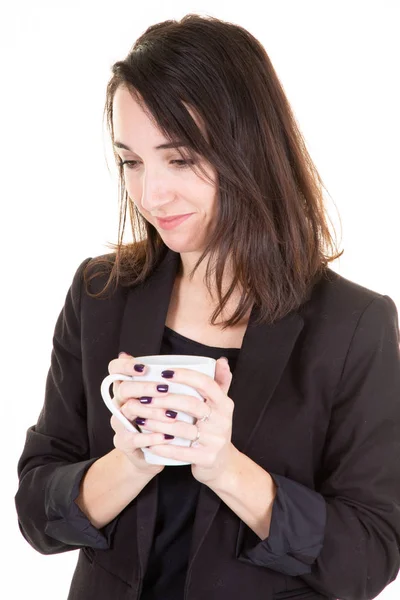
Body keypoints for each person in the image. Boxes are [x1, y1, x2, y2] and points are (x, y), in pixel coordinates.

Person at [15, 12, 400, 600]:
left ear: (249, 149)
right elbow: (36, 514)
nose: (150, 193)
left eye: (180, 158)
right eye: (132, 161)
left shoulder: (353, 326)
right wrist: (132, 459)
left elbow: (369, 556)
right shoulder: (99, 295)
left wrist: (225, 467)